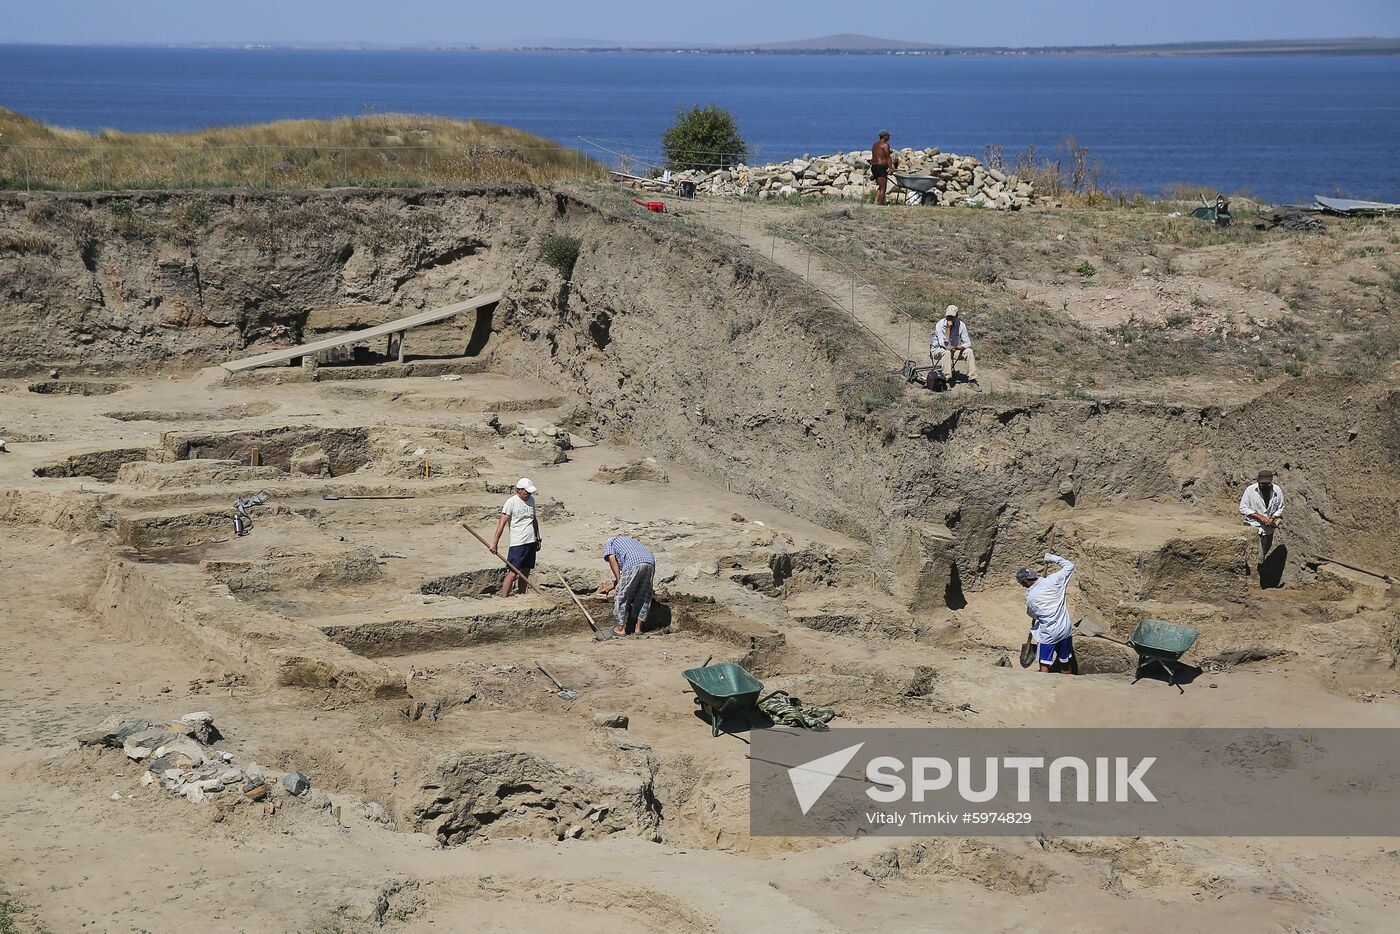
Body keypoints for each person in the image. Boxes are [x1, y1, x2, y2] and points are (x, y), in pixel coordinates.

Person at [1017, 554, 1077, 674]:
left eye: (1021, 583)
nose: (1022, 586)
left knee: (1044, 663)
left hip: (1049, 634)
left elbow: (1033, 614)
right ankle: (1068, 684)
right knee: (1065, 662)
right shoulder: (1054, 580)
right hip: (1065, 629)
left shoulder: (1030, 596)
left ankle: (1045, 687)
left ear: (1026, 581)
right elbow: (1069, 565)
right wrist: (1052, 558)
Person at [595, 534, 656, 640]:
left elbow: (612, 559)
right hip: (650, 561)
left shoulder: (611, 542)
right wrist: (609, 588)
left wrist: (619, 581)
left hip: (634, 563)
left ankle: (620, 629)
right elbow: (629, 574)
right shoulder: (632, 543)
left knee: (622, 596)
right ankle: (638, 629)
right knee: (644, 595)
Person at [491, 477, 540, 597]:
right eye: (527, 492)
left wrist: (537, 537)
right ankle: (504, 598)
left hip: (531, 541)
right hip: (518, 543)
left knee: (526, 571)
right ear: (519, 490)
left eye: (530, 492)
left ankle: (522, 596)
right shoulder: (511, 502)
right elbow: (501, 524)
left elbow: (534, 520)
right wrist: (494, 543)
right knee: (513, 572)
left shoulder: (531, 500)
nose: (529, 494)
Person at [929, 305, 980, 391]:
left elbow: (968, 343)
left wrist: (957, 347)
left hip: (953, 349)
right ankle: (947, 379)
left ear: (956, 316)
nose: (950, 318)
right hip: (938, 350)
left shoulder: (961, 325)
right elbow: (943, 343)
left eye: (952, 316)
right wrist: (949, 328)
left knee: (969, 351)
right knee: (946, 352)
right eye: (948, 316)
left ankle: (972, 380)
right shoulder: (940, 325)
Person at [1239, 470, 1284, 565]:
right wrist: (1259, 517)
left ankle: (1260, 573)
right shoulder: (1250, 490)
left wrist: (1273, 517)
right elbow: (1243, 508)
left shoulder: (1277, 490)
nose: (1264, 485)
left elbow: (1281, 507)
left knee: (1262, 555)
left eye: (1267, 483)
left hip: (1268, 530)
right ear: (1258, 480)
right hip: (1253, 527)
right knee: (1254, 558)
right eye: (1262, 483)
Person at [871, 130, 893, 205]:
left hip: (874, 167)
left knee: (880, 186)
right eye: (888, 135)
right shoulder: (885, 145)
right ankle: (880, 203)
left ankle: (877, 201)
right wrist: (890, 168)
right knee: (883, 186)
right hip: (880, 167)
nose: (889, 137)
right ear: (885, 136)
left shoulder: (875, 144)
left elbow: (878, 154)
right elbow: (888, 157)